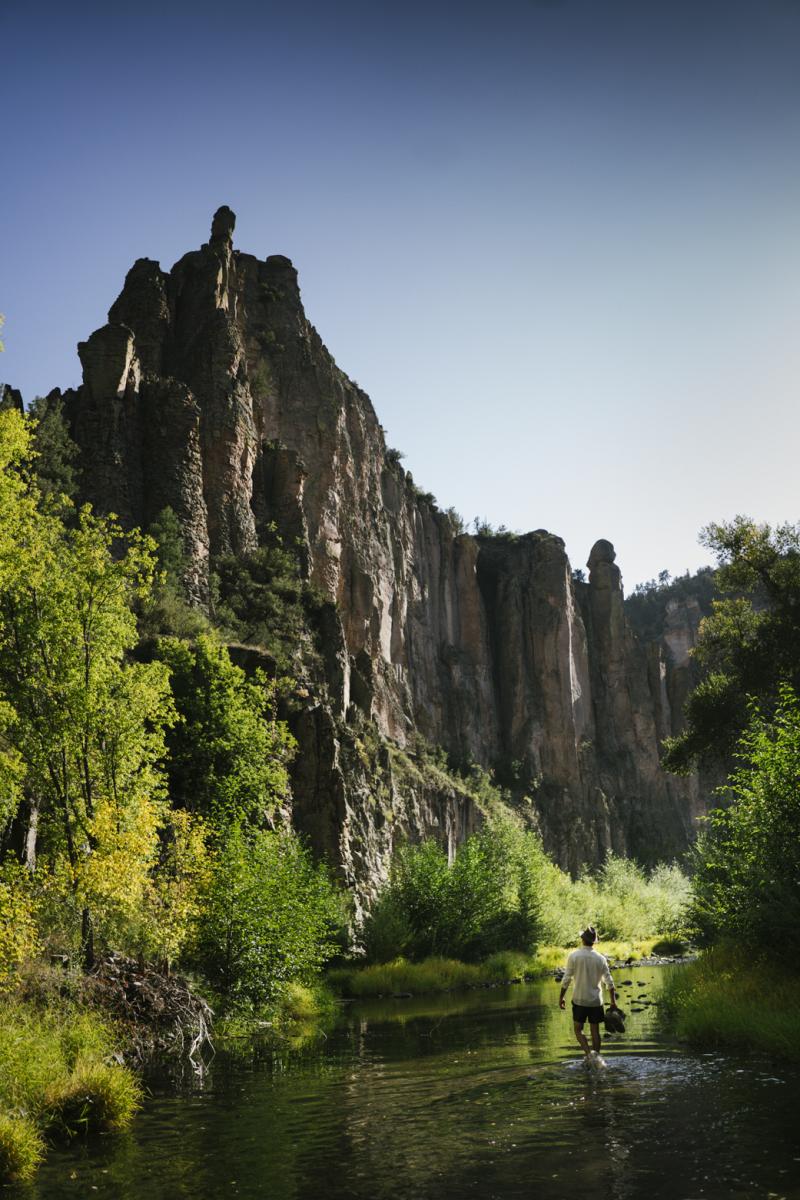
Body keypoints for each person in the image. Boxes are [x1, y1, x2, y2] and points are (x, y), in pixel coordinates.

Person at [558, 925, 618, 1056]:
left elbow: (566, 979)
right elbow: (609, 982)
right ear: (593, 941)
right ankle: (596, 1056)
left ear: (582, 939)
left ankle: (588, 1055)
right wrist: (613, 1002)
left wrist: (561, 997)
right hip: (596, 1001)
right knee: (595, 1031)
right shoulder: (601, 958)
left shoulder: (574, 956)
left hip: (579, 1000)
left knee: (578, 1029)